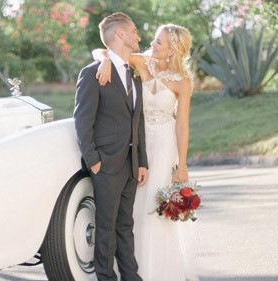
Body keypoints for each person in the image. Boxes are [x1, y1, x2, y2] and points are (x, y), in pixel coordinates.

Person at [93, 23, 199, 281]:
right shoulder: (141, 62)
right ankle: (129, 269)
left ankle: (158, 271)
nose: (152, 44)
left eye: (159, 42)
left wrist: (181, 167)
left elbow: (182, 125)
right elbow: (101, 50)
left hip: (164, 145)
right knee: (132, 205)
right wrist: (104, 60)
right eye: (154, 39)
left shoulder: (183, 82)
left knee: (154, 205)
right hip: (138, 143)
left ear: (172, 50)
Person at [74, 12, 148, 281]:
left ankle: (132, 277)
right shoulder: (92, 73)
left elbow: (137, 122)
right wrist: (94, 159)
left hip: (130, 164)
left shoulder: (135, 74)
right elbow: (83, 121)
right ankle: (105, 278)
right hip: (105, 163)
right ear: (120, 34)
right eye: (134, 31)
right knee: (105, 228)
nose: (138, 36)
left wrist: (142, 161)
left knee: (125, 226)